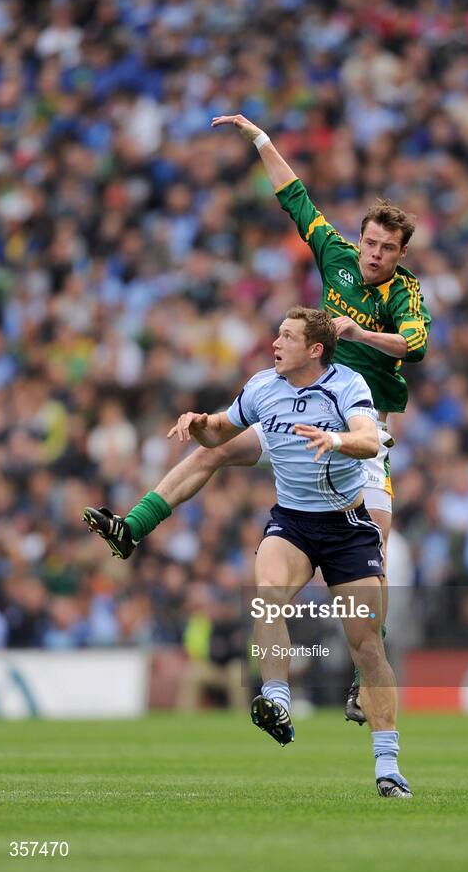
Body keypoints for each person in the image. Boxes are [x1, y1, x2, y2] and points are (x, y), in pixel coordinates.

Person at [83, 115, 431, 724]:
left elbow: (415, 344)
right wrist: (262, 141)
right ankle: (131, 528)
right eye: (370, 242)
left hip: (354, 430)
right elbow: (295, 199)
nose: (374, 255)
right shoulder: (339, 258)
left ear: (401, 254)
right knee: (213, 444)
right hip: (295, 407)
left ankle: (361, 677)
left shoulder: (404, 292)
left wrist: (361, 334)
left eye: (386, 249)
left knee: (372, 543)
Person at [166, 308, 411, 797]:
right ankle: (276, 698)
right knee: (267, 594)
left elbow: (369, 440)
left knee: (367, 646)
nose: (275, 342)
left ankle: (388, 766)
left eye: (286, 336)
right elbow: (221, 432)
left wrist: (334, 439)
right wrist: (199, 423)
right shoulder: (262, 385)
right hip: (294, 523)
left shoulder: (347, 385)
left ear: (314, 350)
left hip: (347, 527)